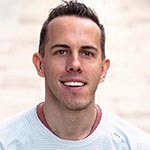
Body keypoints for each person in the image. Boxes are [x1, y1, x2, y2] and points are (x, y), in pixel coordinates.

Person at [0, 0, 150, 149]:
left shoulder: (136, 145)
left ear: (103, 70)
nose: (75, 64)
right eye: (62, 51)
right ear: (40, 64)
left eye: (87, 53)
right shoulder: (5, 142)